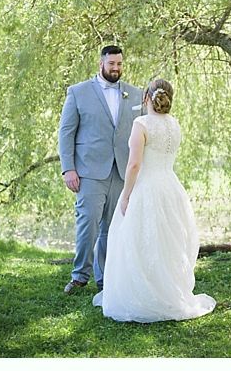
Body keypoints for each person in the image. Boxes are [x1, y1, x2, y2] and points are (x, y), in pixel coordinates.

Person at [93, 78, 215, 322]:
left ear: (147, 97)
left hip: (147, 188)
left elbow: (135, 164)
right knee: (167, 242)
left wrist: (126, 195)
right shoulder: (175, 124)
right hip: (171, 188)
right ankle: (167, 291)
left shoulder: (142, 123)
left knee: (139, 240)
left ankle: (146, 295)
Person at [58, 45, 143, 294]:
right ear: (101, 64)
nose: (115, 68)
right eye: (111, 64)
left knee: (112, 227)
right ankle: (79, 276)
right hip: (89, 170)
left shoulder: (135, 94)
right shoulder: (78, 92)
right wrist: (68, 169)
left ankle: (105, 279)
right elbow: (66, 133)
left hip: (122, 170)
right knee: (88, 224)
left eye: (119, 64)